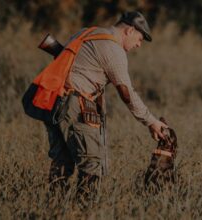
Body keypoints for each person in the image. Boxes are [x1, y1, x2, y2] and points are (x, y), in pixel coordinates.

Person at [46, 11, 168, 204]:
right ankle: (84, 212)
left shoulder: (86, 32)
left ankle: (51, 209)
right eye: (139, 39)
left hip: (54, 102)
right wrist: (151, 121)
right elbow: (126, 93)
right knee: (92, 166)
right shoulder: (113, 50)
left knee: (63, 163)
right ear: (129, 30)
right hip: (76, 106)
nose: (138, 45)